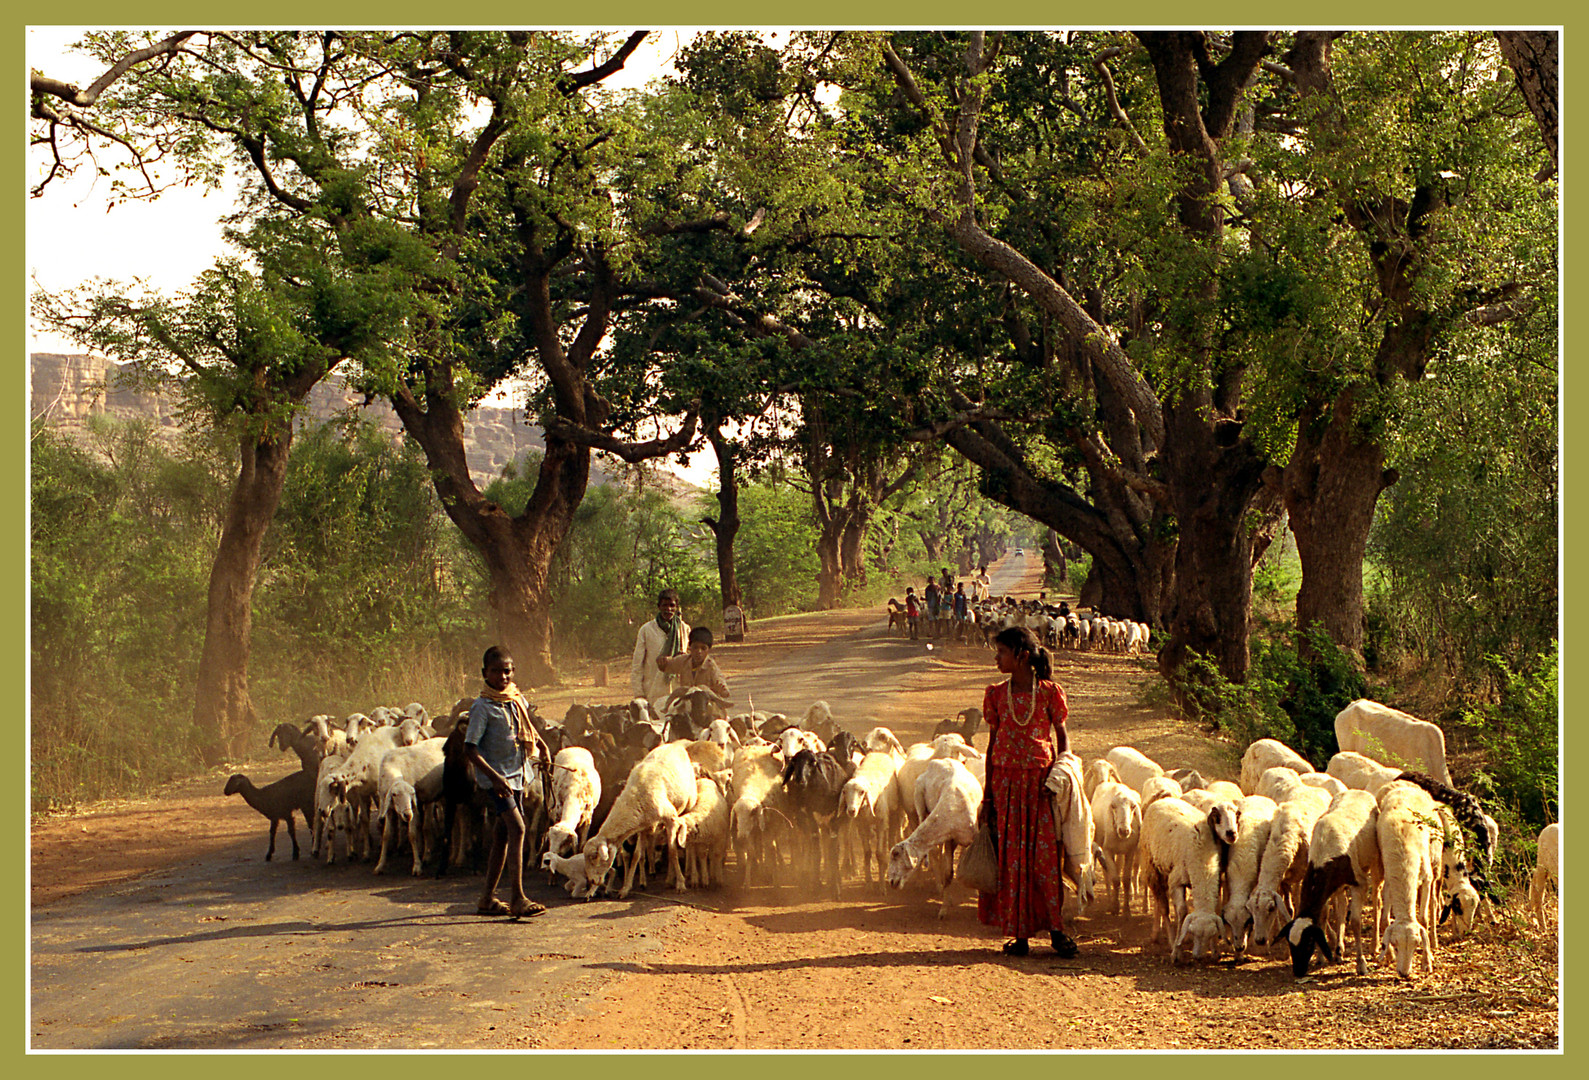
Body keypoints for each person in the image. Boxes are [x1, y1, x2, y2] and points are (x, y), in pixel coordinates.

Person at [977, 625, 1076, 959]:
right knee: (1012, 859)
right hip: (1005, 786)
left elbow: (1062, 737)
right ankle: (1018, 934)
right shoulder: (994, 694)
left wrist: (1060, 774)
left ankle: (1056, 930)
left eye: (1001, 652)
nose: (996, 658)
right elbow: (992, 748)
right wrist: (987, 797)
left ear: (1020, 656)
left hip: (1040, 786)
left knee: (1045, 860)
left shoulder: (1049, 692)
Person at [464, 645, 549, 919]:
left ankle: (486, 899)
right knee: (519, 829)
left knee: (502, 835)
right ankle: (517, 897)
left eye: (507, 671)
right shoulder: (481, 707)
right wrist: (494, 777)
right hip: (498, 781)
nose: (503, 676)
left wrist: (543, 746)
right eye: (496, 671)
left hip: (517, 775)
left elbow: (530, 728)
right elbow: (470, 749)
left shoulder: (515, 698)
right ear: (484, 673)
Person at [632, 588, 689, 706]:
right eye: (664, 605)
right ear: (659, 607)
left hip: (677, 689)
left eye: (672, 605)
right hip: (653, 690)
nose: (668, 609)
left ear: (676, 607)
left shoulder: (684, 629)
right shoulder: (646, 630)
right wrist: (639, 693)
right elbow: (637, 664)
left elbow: (689, 661)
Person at [660, 625, 732, 705]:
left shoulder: (711, 667)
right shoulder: (683, 660)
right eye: (695, 647)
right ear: (690, 647)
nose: (699, 651)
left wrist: (723, 690)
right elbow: (667, 666)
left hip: (707, 706)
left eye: (703, 648)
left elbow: (720, 683)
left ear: (708, 650)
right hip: (687, 705)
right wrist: (662, 662)